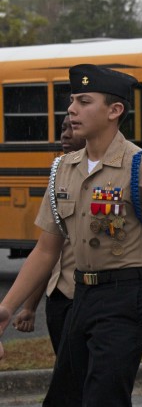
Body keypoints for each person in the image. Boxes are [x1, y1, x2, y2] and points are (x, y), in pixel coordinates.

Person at [0, 64, 142, 406]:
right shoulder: (64, 169)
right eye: (72, 101)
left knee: (103, 398)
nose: (71, 109)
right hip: (80, 294)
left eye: (84, 101)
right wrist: (8, 307)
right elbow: (45, 250)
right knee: (63, 399)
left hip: (125, 297)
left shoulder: (140, 166)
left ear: (115, 111)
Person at [12, 115, 85, 354]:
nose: (64, 134)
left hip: (87, 295)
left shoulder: (110, 176)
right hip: (58, 296)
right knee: (65, 371)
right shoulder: (59, 175)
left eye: (72, 128)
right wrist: (29, 307)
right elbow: (47, 252)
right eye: (63, 128)